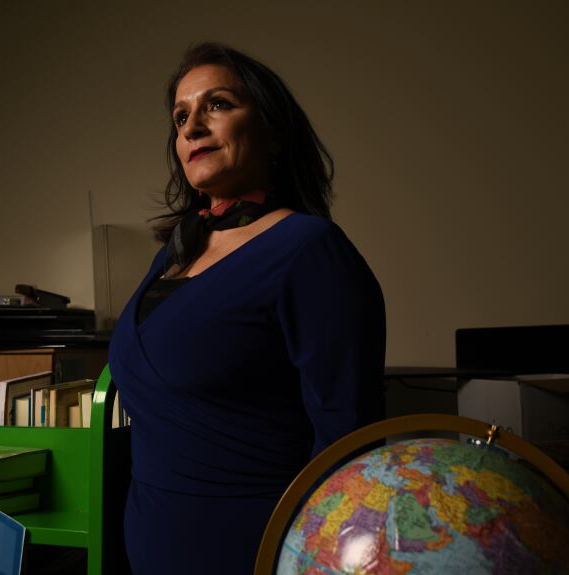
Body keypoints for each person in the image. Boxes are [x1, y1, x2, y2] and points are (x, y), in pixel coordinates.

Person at [108, 42, 386, 574]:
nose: (191, 127)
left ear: (273, 132)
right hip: (151, 541)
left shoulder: (309, 248)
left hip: (255, 546)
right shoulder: (173, 254)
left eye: (218, 104)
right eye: (181, 115)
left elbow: (348, 438)